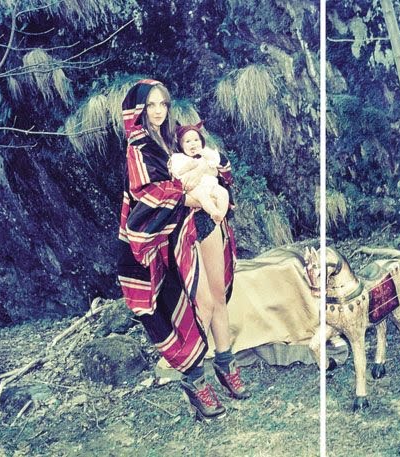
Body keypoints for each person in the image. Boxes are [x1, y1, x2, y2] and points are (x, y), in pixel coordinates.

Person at [116, 79, 250, 422]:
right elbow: (146, 194)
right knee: (200, 303)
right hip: (174, 233)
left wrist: (208, 169)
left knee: (218, 295)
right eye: (151, 105)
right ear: (138, 110)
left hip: (205, 221)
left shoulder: (174, 136)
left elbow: (214, 163)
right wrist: (187, 192)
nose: (158, 111)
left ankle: (225, 363)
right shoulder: (139, 148)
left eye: (162, 103)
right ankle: (194, 380)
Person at [170, 121, 230, 223]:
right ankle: (214, 211)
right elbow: (176, 172)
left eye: (196, 140)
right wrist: (189, 167)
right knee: (203, 196)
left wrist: (203, 152)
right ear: (181, 146)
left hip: (210, 185)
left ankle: (220, 216)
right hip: (194, 188)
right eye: (188, 141)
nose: (193, 143)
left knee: (223, 193)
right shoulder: (179, 157)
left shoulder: (204, 154)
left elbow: (215, 160)